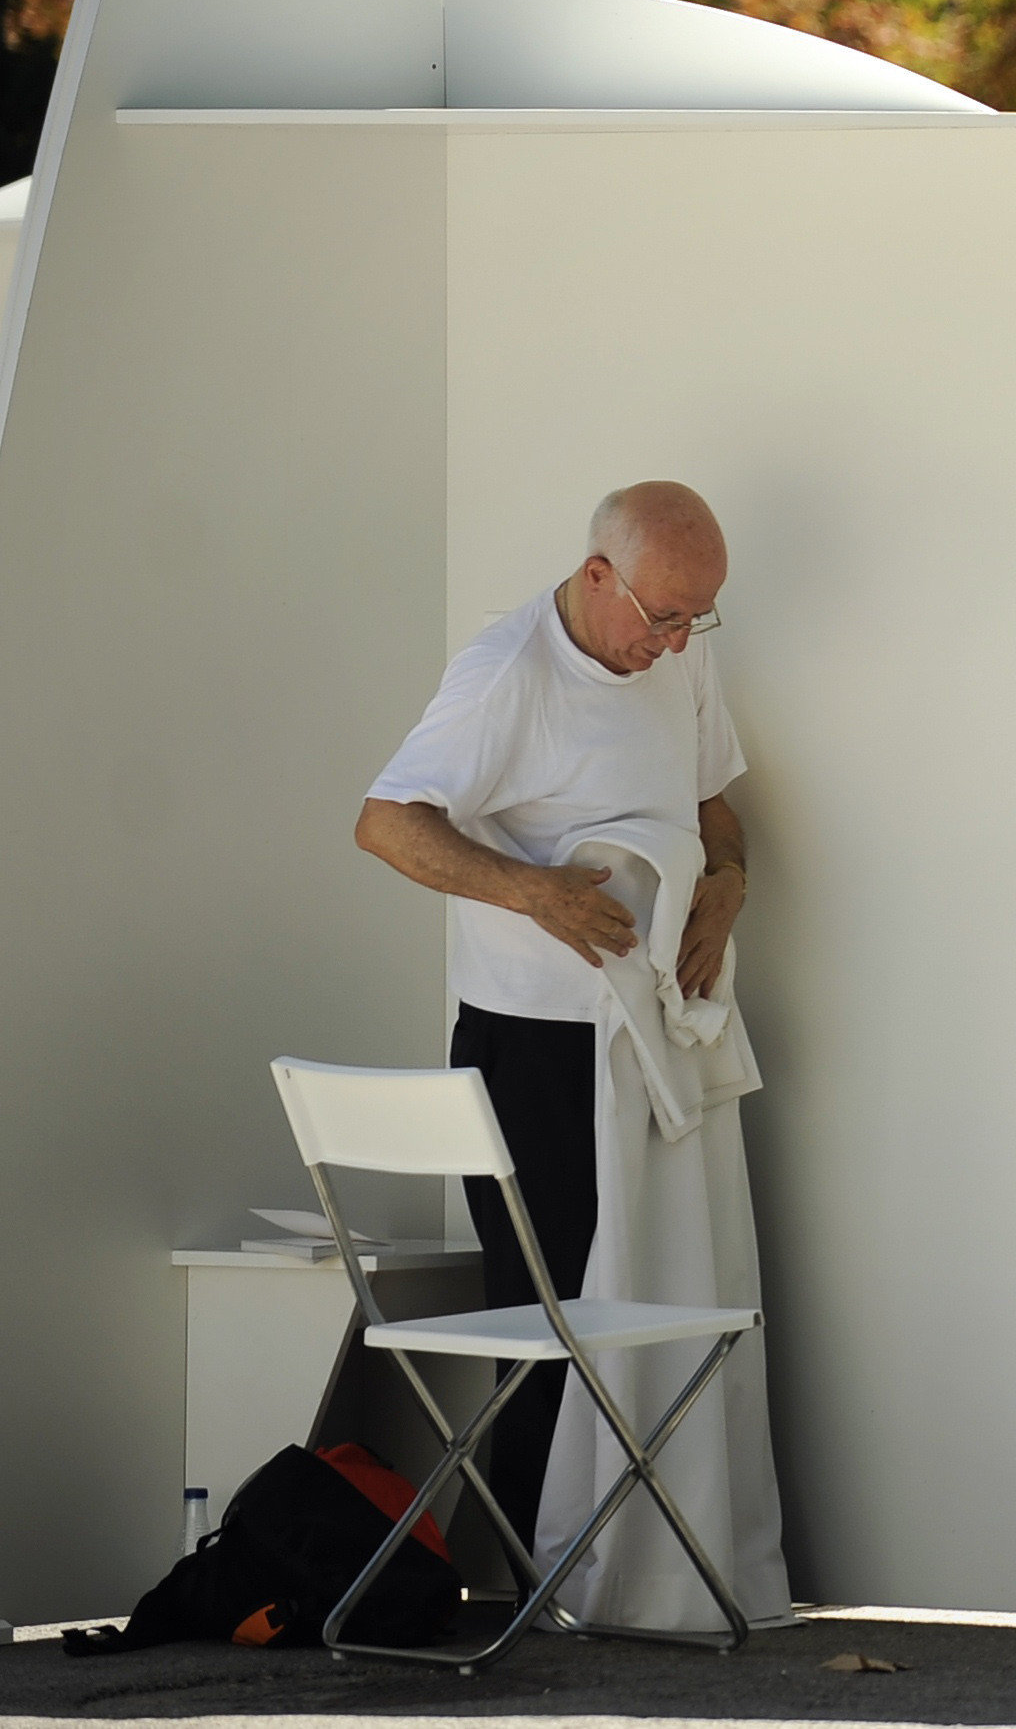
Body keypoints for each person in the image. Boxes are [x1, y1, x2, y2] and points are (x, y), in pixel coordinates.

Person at [354, 482, 785, 1613]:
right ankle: (527, 1593)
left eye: (699, 620)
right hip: (529, 1045)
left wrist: (728, 885)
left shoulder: (676, 656)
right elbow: (387, 821)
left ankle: (651, 1576)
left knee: (659, 1299)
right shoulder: (506, 675)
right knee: (552, 1317)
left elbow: (714, 806)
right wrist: (531, 892)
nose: (678, 642)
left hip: (652, 1034)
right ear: (599, 577)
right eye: (662, 616)